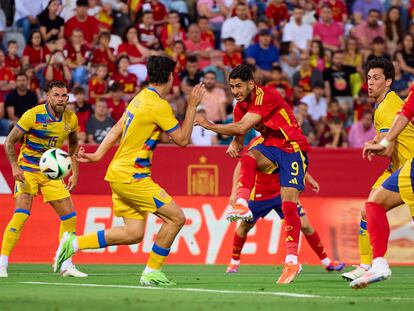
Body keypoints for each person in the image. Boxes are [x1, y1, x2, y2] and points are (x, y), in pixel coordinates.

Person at [53, 56, 205, 286]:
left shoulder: (140, 97)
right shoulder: (158, 105)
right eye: (174, 74)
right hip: (133, 176)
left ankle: (72, 244)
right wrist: (192, 106)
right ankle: (151, 271)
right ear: (170, 77)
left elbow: (116, 127)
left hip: (118, 173)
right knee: (176, 218)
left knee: (133, 233)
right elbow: (183, 140)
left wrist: (97, 156)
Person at [194, 64, 310, 284]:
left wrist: (209, 125)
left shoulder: (266, 96)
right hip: (271, 147)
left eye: (239, 86)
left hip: (293, 148)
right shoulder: (240, 107)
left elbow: (240, 128)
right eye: (231, 87)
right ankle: (241, 202)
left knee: (289, 205)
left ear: (250, 83)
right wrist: (234, 146)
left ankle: (292, 260)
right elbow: (239, 137)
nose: (235, 91)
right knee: (248, 156)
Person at [0, 80, 86, 278]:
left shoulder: (70, 119)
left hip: (51, 173)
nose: (60, 99)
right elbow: (10, 141)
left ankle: (66, 264)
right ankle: (2, 263)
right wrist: (14, 166)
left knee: (70, 217)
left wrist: (74, 172)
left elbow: (73, 147)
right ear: (47, 96)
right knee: (21, 214)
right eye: (56, 95)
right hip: (27, 170)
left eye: (64, 95)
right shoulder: (33, 115)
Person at [341, 58, 414, 283]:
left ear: (389, 81)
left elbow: (387, 146)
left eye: (376, 78)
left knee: (373, 206)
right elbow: (387, 140)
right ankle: (369, 264)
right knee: (370, 208)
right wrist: (376, 141)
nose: (370, 83)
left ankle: (375, 264)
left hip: (408, 167)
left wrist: (375, 146)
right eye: (369, 78)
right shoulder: (382, 105)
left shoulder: (389, 106)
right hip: (397, 167)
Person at [226, 137, 344, 273]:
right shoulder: (256, 142)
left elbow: (294, 163)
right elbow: (241, 165)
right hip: (259, 194)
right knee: (245, 226)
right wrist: (234, 191)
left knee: (305, 225)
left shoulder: (287, 141)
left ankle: (327, 262)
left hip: (283, 192)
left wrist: (309, 178)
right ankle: (234, 262)